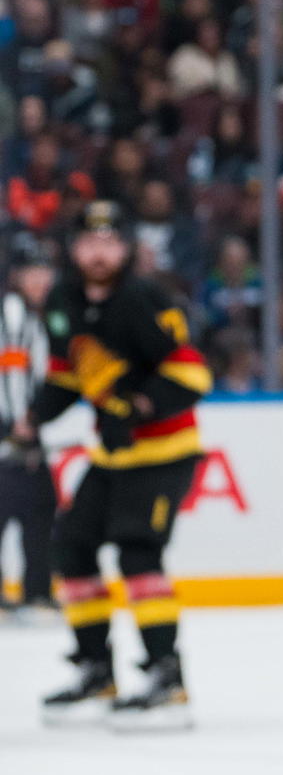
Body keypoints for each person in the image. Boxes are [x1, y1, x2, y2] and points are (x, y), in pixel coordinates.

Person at [13, 201, 211, 729]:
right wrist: (33, 419)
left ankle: (168, 680)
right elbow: (67, 373)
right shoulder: (62, 300)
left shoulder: (145, 299)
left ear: (126, 248)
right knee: (71, 546)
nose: (98, 253)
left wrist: (137, 408)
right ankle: (96, 670)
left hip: (165, 452)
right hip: (112, 453)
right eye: (88, 243)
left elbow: (192, 378)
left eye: (109, 242)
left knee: (137, 550)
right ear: (73, 249)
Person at [0, 244, 59, 621]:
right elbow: (11, 369)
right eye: (31, 272)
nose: (40, 280)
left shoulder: (34, 315)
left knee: (32, 507)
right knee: (34, 505)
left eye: (44, 271)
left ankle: (35, 591)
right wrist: (21, 421)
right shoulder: (13, 312)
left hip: (16, 429)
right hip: (11, 431)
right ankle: (36, 593)